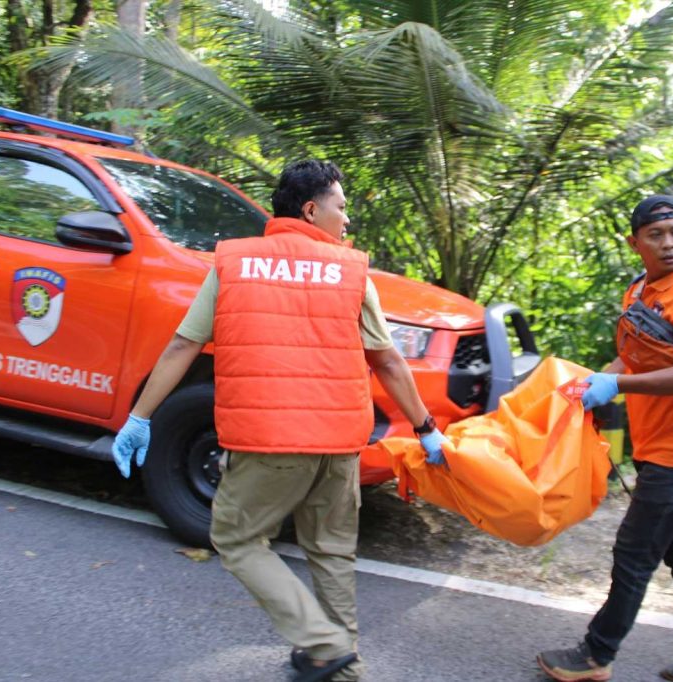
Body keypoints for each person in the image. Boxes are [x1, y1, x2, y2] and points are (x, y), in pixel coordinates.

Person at [110, 159, 448, 682]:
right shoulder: (352, 272)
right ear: (311, 210)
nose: (347, 221)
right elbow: (386, 359)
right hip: (338, 442)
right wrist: (426, 430)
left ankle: (323, 642)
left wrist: (139, 417)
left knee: (238, 539)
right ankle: (338, 663)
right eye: (341, 207)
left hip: (267, 441)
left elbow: (184, 343)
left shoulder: (235, 263)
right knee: (331, 549)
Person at [537, 194, 673, 682]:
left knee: (635, 551)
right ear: (636, 244)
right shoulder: (639, 291)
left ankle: (596, 654)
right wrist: (594, 382)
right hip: (657, 441)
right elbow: (632, 358)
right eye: (656, 235)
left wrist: (618, 386)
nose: (668, 243)